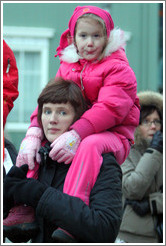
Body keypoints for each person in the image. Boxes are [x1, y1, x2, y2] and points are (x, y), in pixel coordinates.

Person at [6, 5, 140, 240]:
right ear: (72, 38)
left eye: (96, 36)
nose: (89, 43)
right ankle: (22, 208)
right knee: (33, 150)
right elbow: (51, 98)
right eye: (83, 35)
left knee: (90, 146)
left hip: (113, 133)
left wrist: (77, 133)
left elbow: (110, 108)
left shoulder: (118, 68)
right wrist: (34, 132)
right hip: (83, 129)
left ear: (107, 38)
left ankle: (74, 206)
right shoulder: (68, 65)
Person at [3, 78, 123, 243]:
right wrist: (8, 198)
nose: (52, 119)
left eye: (62, 112)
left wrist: (39, 195)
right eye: (47, 111)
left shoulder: (101, 162)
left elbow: (105, 228)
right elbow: (18, 236)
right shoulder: (37, 160)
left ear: (77, 119)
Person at [118, 91, 163, 243]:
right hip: (130, 235)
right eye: (146, 121)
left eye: (157, 121)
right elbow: (132, 189)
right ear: (136, 125)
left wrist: (153, 203)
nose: (153, 126)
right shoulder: (126, 151)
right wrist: (154, 151)